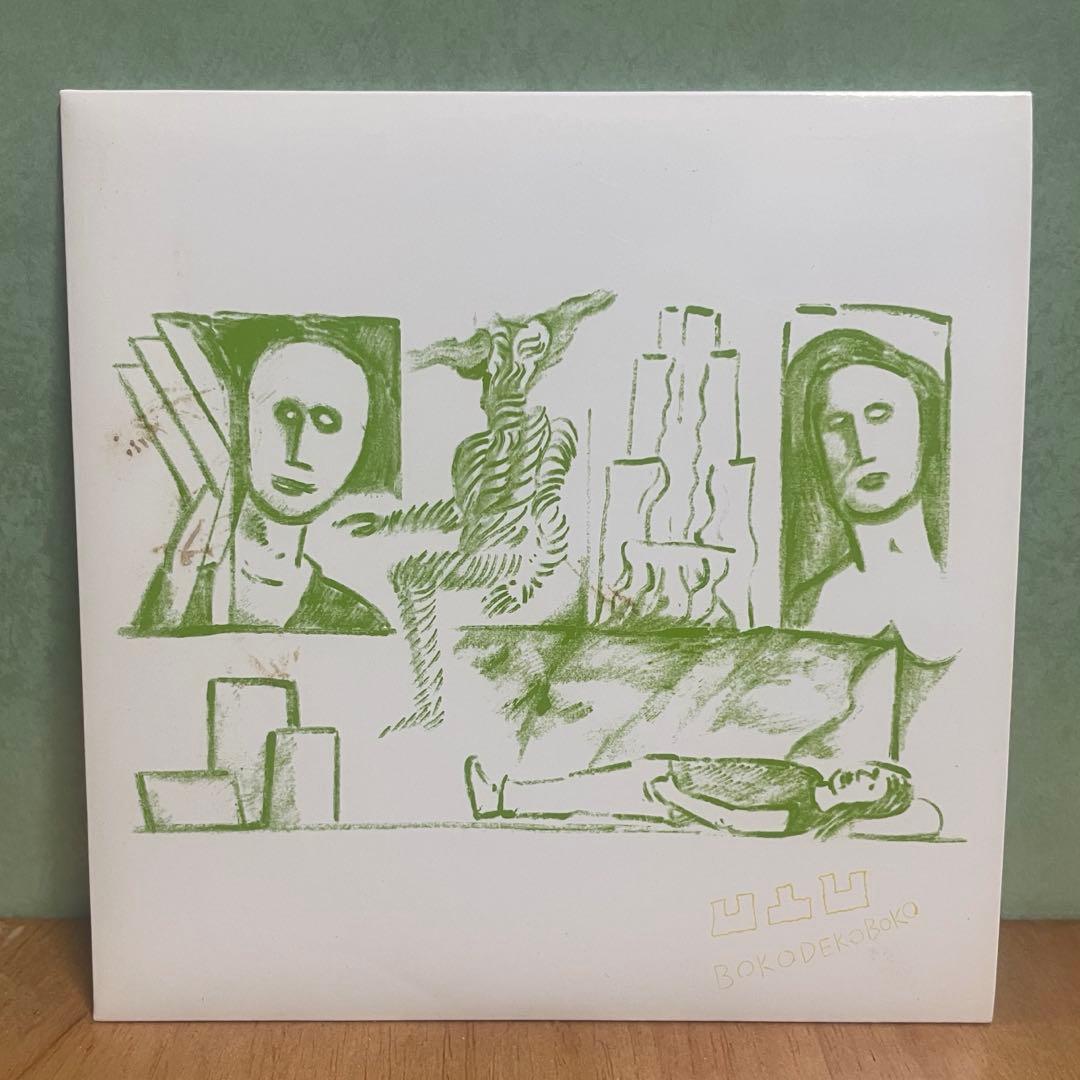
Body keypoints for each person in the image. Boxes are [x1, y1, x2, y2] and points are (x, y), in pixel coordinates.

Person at [130, 339, 391, 635]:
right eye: (286, 415)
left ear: (357, 446)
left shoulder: (360, 622)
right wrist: (174, 602)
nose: (299, 451)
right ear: (244, 421)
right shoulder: (178, 586)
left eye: (327, 423)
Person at [780, 328, 952, 660]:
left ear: (925, 426)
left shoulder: (974, 579)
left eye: (880, 415)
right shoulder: (808, 610)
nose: (862, 447)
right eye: (837, 423)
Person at [465, 754, 914, 839]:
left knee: (589, 795)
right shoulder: (808, 774)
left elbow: (734, 821)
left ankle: (500, 800)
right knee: (585, 779)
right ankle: (506, 793)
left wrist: (674, 795)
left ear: (864, 805)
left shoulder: (804, 817)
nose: (861, 774)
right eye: (871, 770)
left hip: (670, 797)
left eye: (870, 783)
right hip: (675, 773)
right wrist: (675, 766)